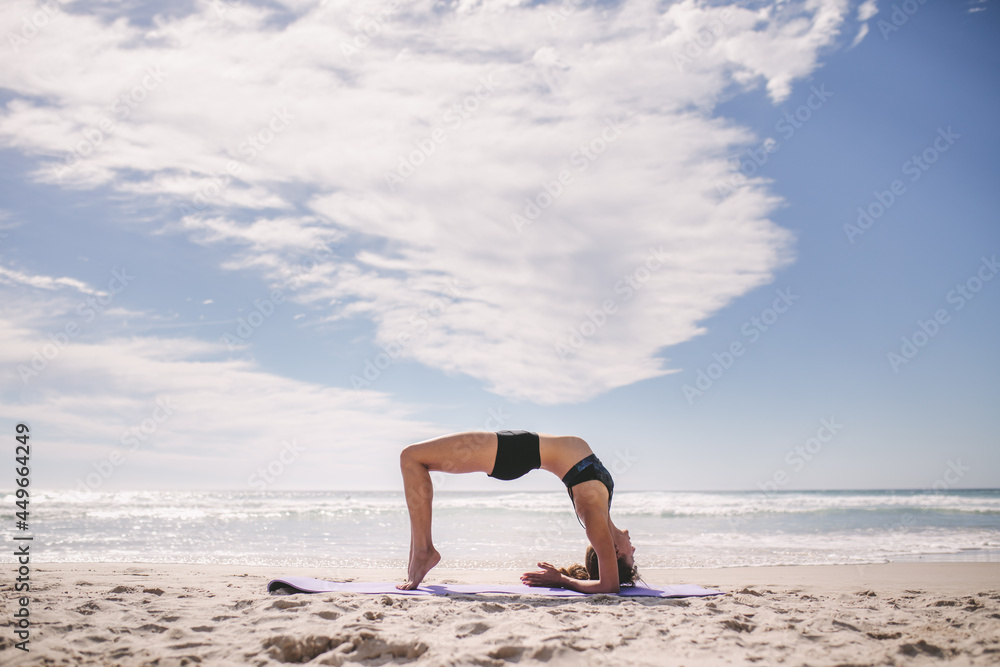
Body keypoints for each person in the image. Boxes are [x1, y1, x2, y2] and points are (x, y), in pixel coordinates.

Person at [397, 430, 637, 592]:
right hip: (519, 447)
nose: (634, 548)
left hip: (516, 452)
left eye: (631, 555)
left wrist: (562, 579)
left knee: (412, 457)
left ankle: (424, 552)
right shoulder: (603, 514)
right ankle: (419, 553)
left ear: (615, 553)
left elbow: (610, 586)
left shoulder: (595, 521)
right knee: (413, 458)